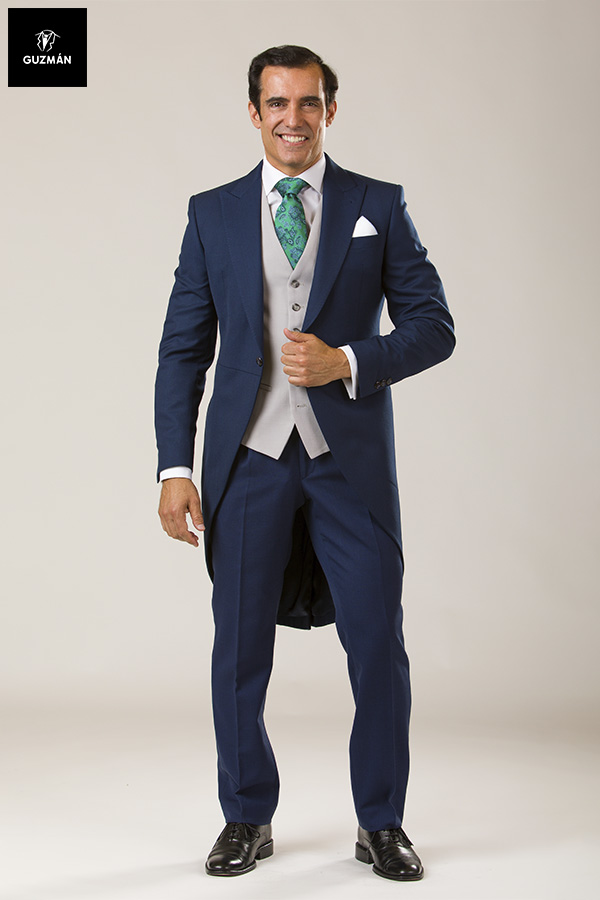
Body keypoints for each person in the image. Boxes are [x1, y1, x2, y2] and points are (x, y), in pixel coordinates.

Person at [154, 44, 455, 881]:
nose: (294, 119)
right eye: (278, 103)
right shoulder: (211, 213)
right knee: (238, 650)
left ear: (330, 110)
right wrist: (174, 469)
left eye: (310, 103)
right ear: (255, 113)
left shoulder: (378, 205)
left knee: (377, 644)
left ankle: (381, 822)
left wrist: (348, 361)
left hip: (347, 465)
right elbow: (183, 350)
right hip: (247, 462)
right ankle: (246, 815)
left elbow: (434, 326)